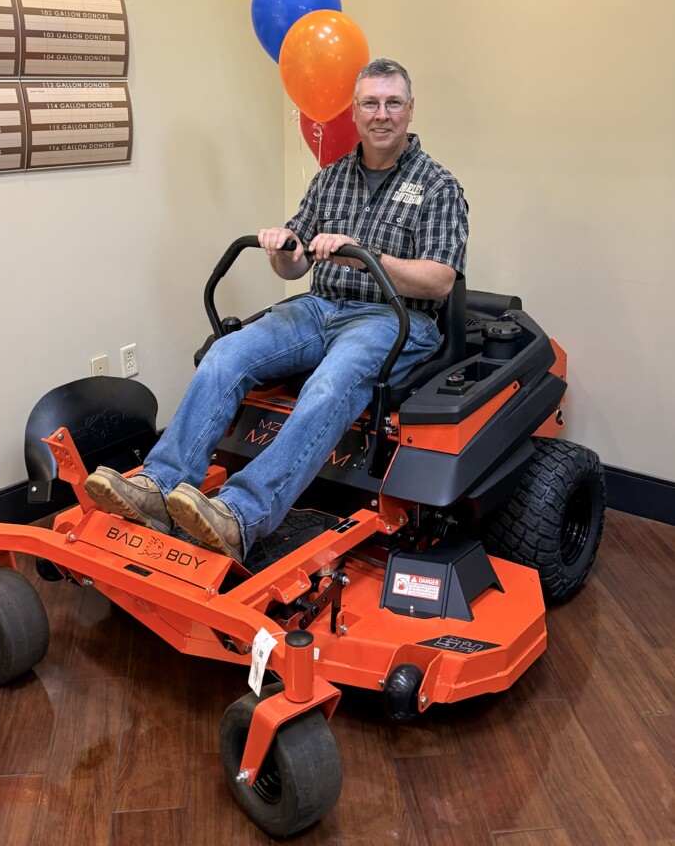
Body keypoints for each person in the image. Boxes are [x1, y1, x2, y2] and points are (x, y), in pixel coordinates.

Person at [84, 59, 468, 562]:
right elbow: (293, 266)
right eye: (370, 103)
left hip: (394, 320)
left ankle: (242, 515)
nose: (382, 114)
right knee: (226, 354)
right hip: (319, 307)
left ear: (410, 110)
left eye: (393, 103)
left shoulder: (438, 186)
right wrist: (280, 250)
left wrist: (366, 253)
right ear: (354, 113)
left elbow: (440, 281)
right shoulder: (330, 179)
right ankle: (159, 484)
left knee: (330, 384)